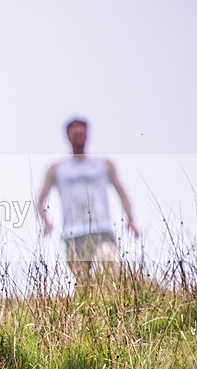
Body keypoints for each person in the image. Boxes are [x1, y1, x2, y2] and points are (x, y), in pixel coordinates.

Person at [36, 117, 139, 286]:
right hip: (73, 233)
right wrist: (45, 221)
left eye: (81, 134)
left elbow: (122, 193)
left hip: (102, 229)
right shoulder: (57, 169)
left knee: (107, 269)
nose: (78, 138)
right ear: (68, 137)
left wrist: (131, 220)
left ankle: (109, 308)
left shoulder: (103, 165)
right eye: (75, 134)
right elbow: (40, 200)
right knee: (83, 283)